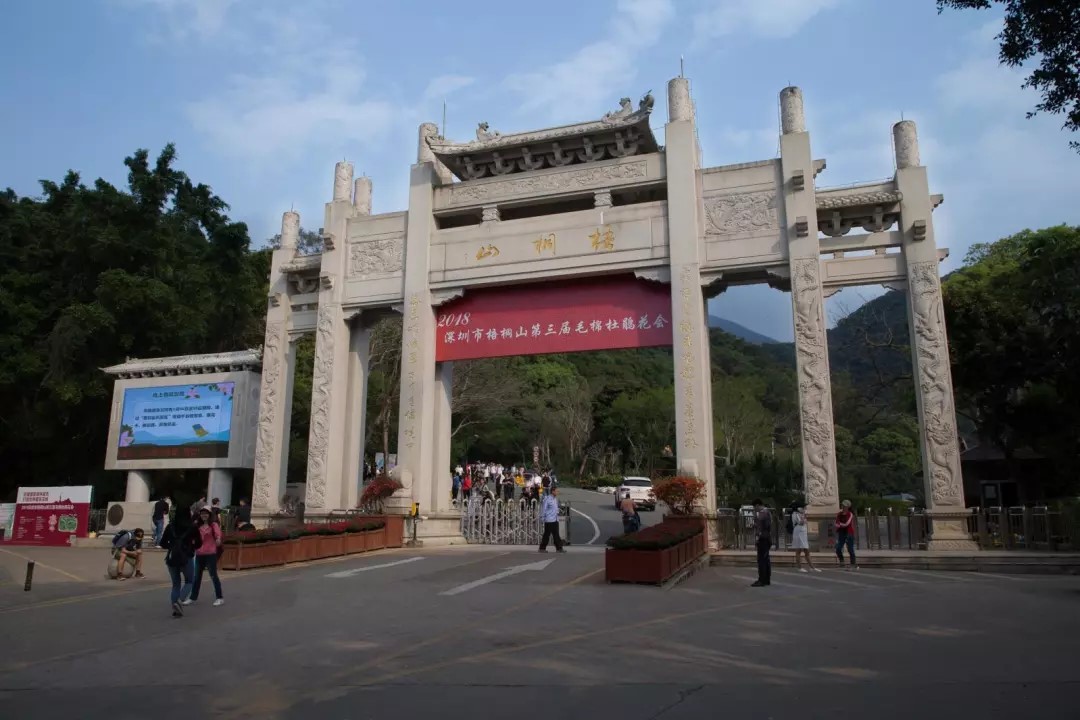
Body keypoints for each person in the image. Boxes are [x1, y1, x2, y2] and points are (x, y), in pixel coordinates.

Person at [184, 506, 224, 607]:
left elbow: (218, 534)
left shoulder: (213, 525)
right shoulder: (197, 525)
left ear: (209, 514)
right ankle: (193, 597)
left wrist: (218, 539)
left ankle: (219, 598)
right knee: (197, 577)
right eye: (202, 514)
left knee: (213, 576)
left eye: (206, 513)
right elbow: (192, 536)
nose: (204, 515)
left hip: (210, 553)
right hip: (199, 553)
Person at [160, 513, 199, 617]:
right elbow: (199, 543)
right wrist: (190, 546)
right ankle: (179, 601)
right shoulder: (192, 527)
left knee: (176, 584)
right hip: (186, 557)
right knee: (189, 581)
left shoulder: (170, 526)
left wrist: (173, 546)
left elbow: (162, 543)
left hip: (172, 557)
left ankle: (175, 608)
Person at [538, 480, 565, 553]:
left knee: (556, 535)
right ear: (552, 491)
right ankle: (542, 548)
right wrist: (542, 518)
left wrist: (558, 511)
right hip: (549, 520)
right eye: (556, 491)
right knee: (547, 535)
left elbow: (555, 508)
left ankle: (559, 548)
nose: (557, 492)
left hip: (555, 519)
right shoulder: (547, 499)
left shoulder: (555, 499)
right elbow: (543, 509)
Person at [790, 504, 819, 573]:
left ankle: (812, 567)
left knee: (806, 550)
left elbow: (805, 522)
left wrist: (804, 515)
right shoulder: (795, 514)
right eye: (802, 507)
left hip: (803, 533)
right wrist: (804, 516)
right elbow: (801, 522)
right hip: (798, 532)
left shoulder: (801, 514)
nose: (803, 509)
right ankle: (799, 567)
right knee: (798, 550)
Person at [751, 499, 771, 587]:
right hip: (766, 537)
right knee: (766, 559)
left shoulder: (763, 514)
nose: (754, 509)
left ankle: (761, 580)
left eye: (754, 507)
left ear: (757, 505)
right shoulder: (767, 512)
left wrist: (756, 524)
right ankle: (766, 579)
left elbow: (762, 527)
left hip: (763, 538)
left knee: (761, 560)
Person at [835, 499, 858, 570]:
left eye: (844, 505)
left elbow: (847, 524)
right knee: (838, 548)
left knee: (850, 549)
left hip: (849, 533)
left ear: (848, 507)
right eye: (842, 505)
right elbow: (836, 523)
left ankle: (853, 563)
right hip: (841, 533)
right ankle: (842, 562)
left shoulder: (850, 514)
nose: (843, 506)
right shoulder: (839, 514)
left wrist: (840, 524)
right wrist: (839, 525)